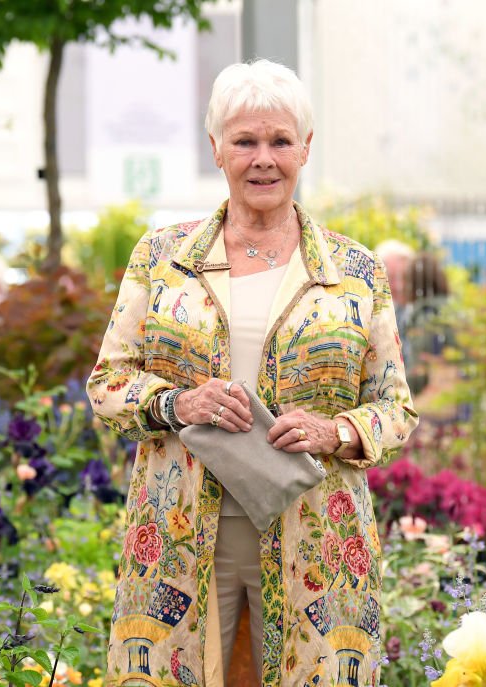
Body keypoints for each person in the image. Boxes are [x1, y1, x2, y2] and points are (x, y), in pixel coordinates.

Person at [87, 60, 418, 687]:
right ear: (216, 150)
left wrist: (332, 432)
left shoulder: (355, 271)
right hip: (178, 533)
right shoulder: (161, 260)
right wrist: (178, 403)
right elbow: (108, 384)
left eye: (279, 141)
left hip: (315, 535)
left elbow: (395, 407)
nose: (262, 158)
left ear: (305, 148)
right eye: (245, 141)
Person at [399, 251, 454, 401]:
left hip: (438, 400)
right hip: (460, 396)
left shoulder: (427, 316)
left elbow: (421, 369)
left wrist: (395, 388)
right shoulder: (452, 308)